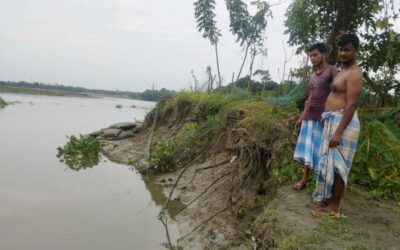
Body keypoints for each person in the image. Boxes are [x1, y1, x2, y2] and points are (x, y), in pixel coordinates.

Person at [311, 34, 363, 219]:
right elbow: (335, 97)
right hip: (333, 120)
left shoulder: (355, 73)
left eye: (347, 50)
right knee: (329, 163)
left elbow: (351, 104)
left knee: (339, 166)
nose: (343, 53)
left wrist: (339, 131)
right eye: (341, 49)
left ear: (355, 51)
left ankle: (334, 206)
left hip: (344, 124)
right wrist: (327, 117)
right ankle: (328, 199)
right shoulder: (341, 71)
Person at [293, 43, 338, 191]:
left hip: (322, 119)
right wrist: (301, 117)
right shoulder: (312, 76)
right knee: (308, 150)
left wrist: (328, 113)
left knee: (321, 152)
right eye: (310, 56)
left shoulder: (332, 71)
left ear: (324, 54)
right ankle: (305, 179)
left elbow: (338, 94)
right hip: (309, 118)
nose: (312, 58)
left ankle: (321, 185)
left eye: (315, 55)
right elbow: (310, 98)